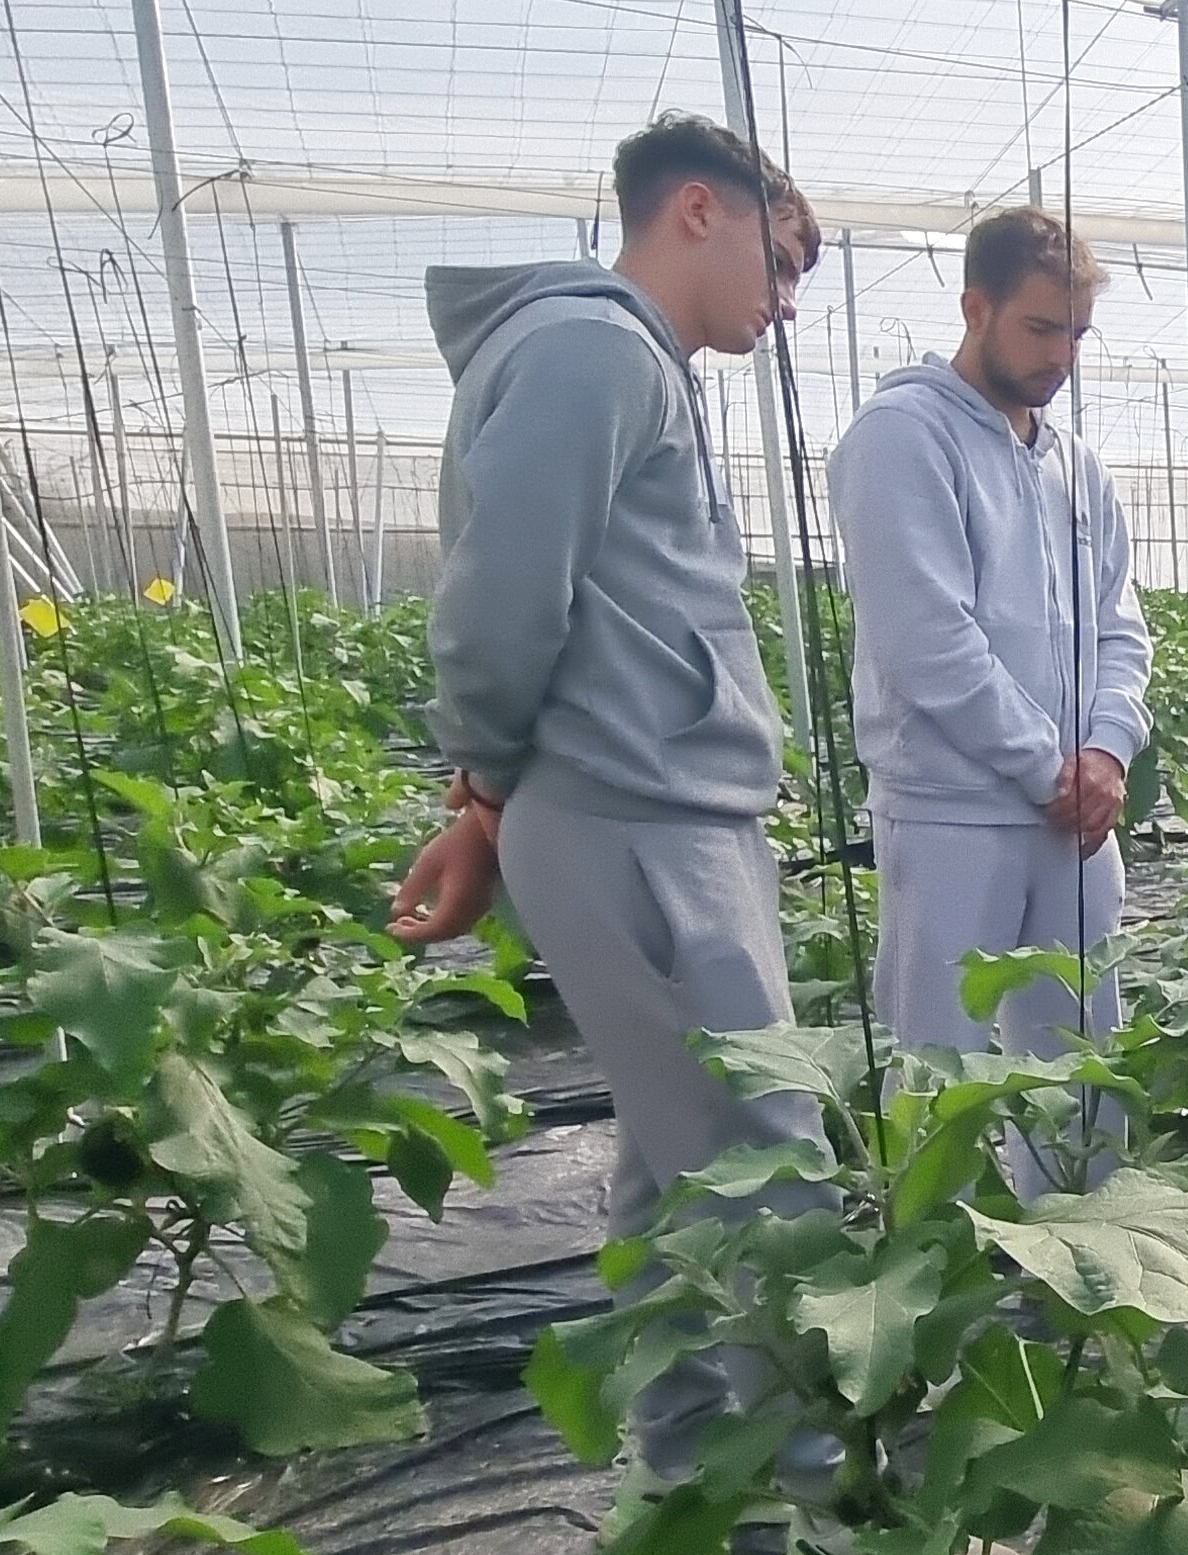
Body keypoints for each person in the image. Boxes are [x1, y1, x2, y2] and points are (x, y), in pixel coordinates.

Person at [389, 114, 827, 1477]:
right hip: (638, 817)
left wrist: (486, 810)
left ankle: (692, 1472)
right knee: (762, 1162)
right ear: (698, 209)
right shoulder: (593, 350)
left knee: (674, 1158)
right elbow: (499, 604)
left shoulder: (617, 359)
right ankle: (819, 1505)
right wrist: (488, 783)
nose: (787, 301)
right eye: (782, 258)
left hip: (653, 808)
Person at [831, 206, 1148, 1068]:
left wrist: (1108, 752)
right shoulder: (903, 437)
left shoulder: (1077, 465)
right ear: (976, 309)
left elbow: (1121, 628)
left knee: (1084, 1064)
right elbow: (927, 641)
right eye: (1041, 328)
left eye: (1077, 333)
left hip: (1076, 821)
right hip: (951, 813)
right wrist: (1050, 771)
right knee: (940, 1065)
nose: (1061, 355)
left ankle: (1084, 1173)